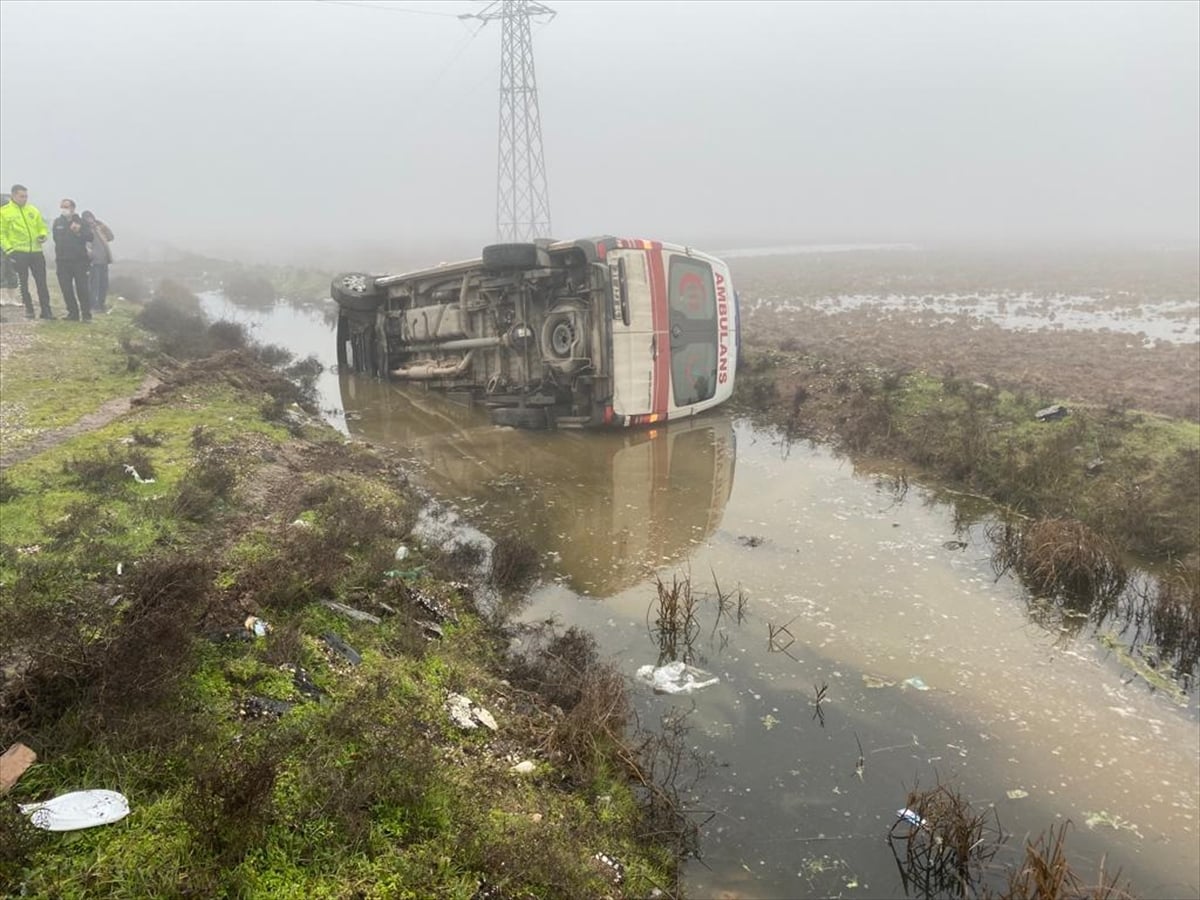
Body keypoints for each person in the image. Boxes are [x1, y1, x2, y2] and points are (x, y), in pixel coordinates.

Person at [0, 183, 53, 319]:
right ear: (13, 196)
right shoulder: (4, 212)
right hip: (18, 252)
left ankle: (46, 311)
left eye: (26, 196)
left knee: (41, 282)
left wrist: (43, 235)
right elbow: (2, 234)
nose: (24, 199)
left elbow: (42, 226)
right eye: (21, 196)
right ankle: (29, 310)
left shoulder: (32, 210)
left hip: (36, 251)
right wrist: (9, 250)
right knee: (23, 282)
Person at [52, 198, 93, 321]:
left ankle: (86, 314)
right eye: (62, 207)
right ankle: (73, 313)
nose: (64, 209)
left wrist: (78, 232)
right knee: (66, 289)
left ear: (73, 208)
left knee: (82, 288)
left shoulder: (81, 222)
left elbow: (90, 237)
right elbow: (56, 239)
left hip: (79, 261)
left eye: (66, 207)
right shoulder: (58, 222)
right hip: (62, 261)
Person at [81, 210, 114, 313]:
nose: (90, 220)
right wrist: (89, 255)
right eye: (87, 218)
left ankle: (101, 304)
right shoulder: (85, 230)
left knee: (104, 285)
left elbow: (110, 237)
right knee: (94, 285)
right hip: (93, 262)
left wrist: (102, 225)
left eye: (91, 217)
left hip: (104, 261)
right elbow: (85, 245)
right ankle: (93, 306)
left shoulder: (98, 228)